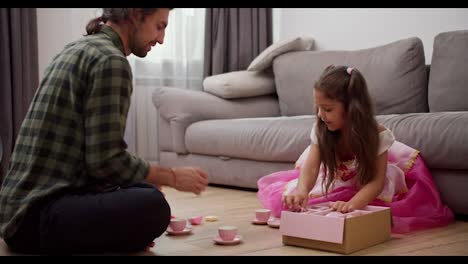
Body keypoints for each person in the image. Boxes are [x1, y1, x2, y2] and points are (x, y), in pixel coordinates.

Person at [0, 8, 209, 254]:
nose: (161, 39)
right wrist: (172, 176)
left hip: (16, 211)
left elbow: (93, 161)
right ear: (134, 15)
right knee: (153, 207)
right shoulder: (111, 60)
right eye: (159, 26)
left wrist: (144, 180)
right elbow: (105, 162)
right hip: (36, 219)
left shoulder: (79, 48)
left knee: (145, 190)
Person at [257, 65, 454, 234]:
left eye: (327, 109)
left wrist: (353, 204)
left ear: (352, 108)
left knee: (369, 212)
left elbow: (376, 182)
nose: (321, 115)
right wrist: (302, 190)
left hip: (365, 182)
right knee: (295, 198)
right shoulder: (322, 129)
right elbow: (310, 169)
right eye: (318, 108)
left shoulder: (377, 136)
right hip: (336, 176)